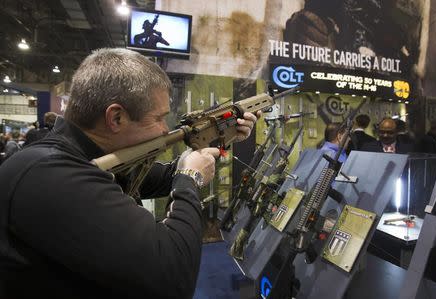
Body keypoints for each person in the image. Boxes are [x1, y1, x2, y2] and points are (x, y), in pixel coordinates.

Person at [0, 48, 258, 298]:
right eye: (159, 118)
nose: (163, 130)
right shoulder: (50, 174)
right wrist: (190, 178)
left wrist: (222, 136)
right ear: (116, 118)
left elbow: (164, 176)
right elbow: (173, 276)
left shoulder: (80, 158)